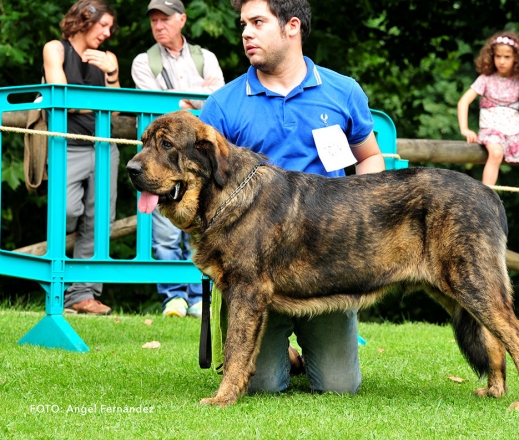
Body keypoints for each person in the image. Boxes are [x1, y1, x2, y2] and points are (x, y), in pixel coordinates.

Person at [200, 0, 385, 395]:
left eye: (257, 22)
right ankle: (276, 352)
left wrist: (366, 220)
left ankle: (302, 350)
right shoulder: (223, 105)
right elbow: (205, 191)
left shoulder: (343, 91)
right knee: (262, 386)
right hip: (253, 267)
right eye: (243, 24)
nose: (246, 32)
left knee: (341, 388)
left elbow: (370, 158)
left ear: (292, 27)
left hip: (327, 261)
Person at [131, 0, 225, 318]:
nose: (158, 25)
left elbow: (216, 99)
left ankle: (199, 298)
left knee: (200, 230)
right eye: (154, 20)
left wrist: (184, 97)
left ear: (182, 20)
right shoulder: (144, 62)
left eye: (165, 19)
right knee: (166, 232)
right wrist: (191, 95)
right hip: (160, 158)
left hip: (195, 158)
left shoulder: (205, 58)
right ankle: (173, 297)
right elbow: (162, 108)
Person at [43, 0, 120, 315]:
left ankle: (82, 295)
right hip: (67, 146)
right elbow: (62, 99)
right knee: (66, 212)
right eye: (103, 25)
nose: (107, 33)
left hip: (103, 147)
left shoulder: (107, 59)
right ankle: (54, 282)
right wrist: (95, 103)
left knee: (100, 220)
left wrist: (111, 73)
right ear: (84, 20)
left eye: (110, 28)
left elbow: (114, 109)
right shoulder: (56, 50)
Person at [457, 30, 519, 235]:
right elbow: (464, 101)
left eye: (507, 57)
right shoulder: (485, 79)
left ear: (516, 59)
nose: (501, 61)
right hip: (492, 128)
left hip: (515, 130)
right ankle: (481, 206)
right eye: (498, 56)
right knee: (496, 153)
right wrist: (465, 128)